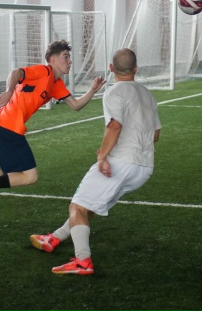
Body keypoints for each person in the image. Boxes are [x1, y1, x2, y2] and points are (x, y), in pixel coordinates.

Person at [29, 48, 161, 275]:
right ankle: (54, 238)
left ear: (111, 68)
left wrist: (103, 157)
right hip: (144, 168)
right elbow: (155, 135)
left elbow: (114, 126)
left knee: (77, 206)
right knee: (89, 203)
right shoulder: (147, 93)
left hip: (120, 163)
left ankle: (82, 261)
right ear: (136, 69)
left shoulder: (114, 92)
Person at [0, 40, 106, 219]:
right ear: (52, 59)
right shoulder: (43, 71)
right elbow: (16, 72)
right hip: (8, 127)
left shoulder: (57, 84)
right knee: (30, 177)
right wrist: (9, 91)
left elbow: (75, 105)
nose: (69, 62)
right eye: (65, 57)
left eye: (70, 58)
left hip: (1, 124)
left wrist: (92, 90)